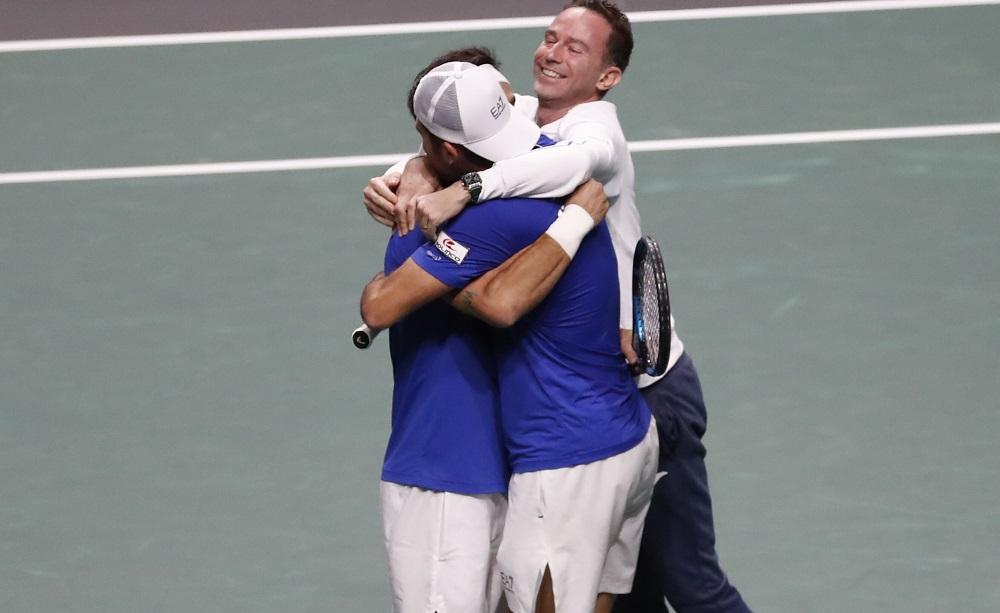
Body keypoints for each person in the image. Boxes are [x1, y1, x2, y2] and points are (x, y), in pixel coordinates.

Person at [361, 2, 753, 611]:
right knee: (626, 594)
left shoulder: (593, 136)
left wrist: (465, 190)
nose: (552, 53)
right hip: (596, 413)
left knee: (691, 583)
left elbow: (562, 179)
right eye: (550, 38)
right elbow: (442, 145)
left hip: (644, 387)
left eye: (576, 48)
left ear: (607, 77)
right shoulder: (517, 122)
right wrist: (410, 171)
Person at [360, 60, 658, 613]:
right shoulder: (556, 171)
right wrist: (417, 172)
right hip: (570, 449)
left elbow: (381, 305)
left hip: (461, 472)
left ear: (442, 148)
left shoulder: (478, 221)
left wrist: (416, 194)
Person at [372, 48, 520, 613]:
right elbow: (381, 306)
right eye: (498, 107)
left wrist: (414, 166)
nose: (512, 115)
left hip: (500, 467)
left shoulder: (460, 198)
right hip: (444, 475)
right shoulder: (435, 222)